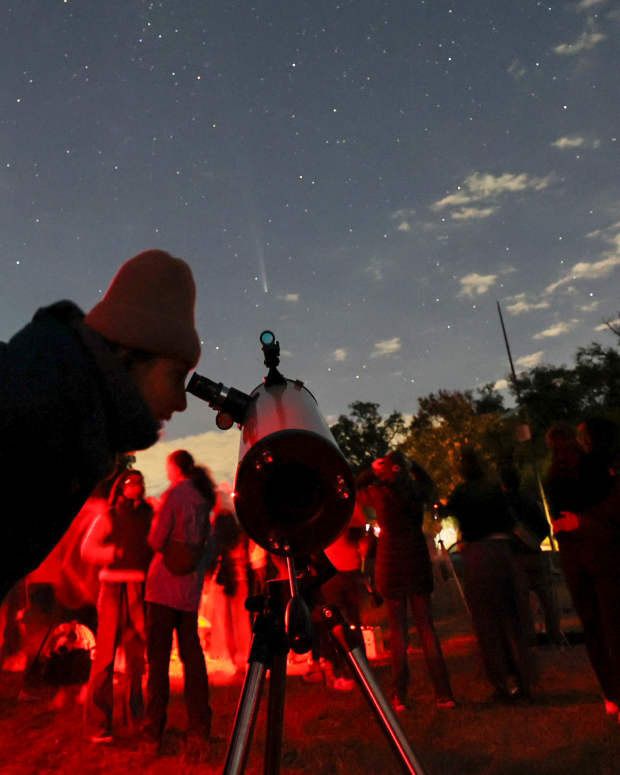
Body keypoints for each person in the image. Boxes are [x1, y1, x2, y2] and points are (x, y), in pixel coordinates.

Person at [0, 249, 201, 603]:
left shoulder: (71, 422)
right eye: (176, 376)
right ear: (134, 353)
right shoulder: (40, 416)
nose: (182, 402)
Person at [357, 451, 455, 711]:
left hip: (390, 564)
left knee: (398, 632)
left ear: (387, 471)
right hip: (415, 559)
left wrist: (372, 470)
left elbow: (355, 486)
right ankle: (443, 694)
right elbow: (429, 483)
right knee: (426, 628)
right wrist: (414, 465)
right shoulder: (416, 491)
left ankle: (399, 695)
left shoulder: (378, 493)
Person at [446, 448, 535, 702]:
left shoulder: (461, 494)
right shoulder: (494, 489)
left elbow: (449, 512)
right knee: (512, 617)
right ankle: (523, 679)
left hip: (478, 556)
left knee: (488, 623)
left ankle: (501, 683)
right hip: (503, 553)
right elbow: (509, 520)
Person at [546, 420, 620, 720]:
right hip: (601, 553)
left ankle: (610, 694)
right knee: (612, 624)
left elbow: (559, 518)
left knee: (592, 627)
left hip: (574, 557)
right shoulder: (596, 466)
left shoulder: (553, 478)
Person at [143, 450, 215, 746]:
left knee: (158, 661)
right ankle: (199, 726)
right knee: (193, 659)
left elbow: (157, 540)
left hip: (162, 589)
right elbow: (208, 546)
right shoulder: (203, 497)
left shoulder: (175, 495)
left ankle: (153, 729)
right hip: (190, 590)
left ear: (175, 468)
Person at [81, 469, 154, 743]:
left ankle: (136, 718)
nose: (138, 485)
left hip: (139, 587)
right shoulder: (109, 516)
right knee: (105, 659)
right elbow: (87, 549)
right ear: (121, 487)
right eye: (132, 482)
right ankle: (98, 724)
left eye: (140, 481)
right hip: (113, 587)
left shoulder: (148, 515)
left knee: (136, 659)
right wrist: (114, 553)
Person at [499, 465, 563, 646]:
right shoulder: (529, 500)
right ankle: (554, 636)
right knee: (547, 598)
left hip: (515, 558)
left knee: (522, 603)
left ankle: (528, 639)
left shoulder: (502, 505)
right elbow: (544, 527)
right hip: (534, 554)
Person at [205, 484, 252, 674]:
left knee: (227, 621)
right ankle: (243, 657)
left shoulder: (219, 525)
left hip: (227, 578)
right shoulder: (239, 528)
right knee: (240, 620)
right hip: (239, 577)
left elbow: (214, 553)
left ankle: (235, 658)